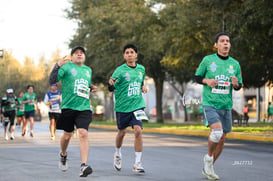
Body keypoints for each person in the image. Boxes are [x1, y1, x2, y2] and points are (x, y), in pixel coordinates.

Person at [195, 32, 243, 180]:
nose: (225, 43)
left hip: (226, 105)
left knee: (222, 138)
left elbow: (239, 85)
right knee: (216, 132)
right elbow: (197, 77)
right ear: (216, 45)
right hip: (210, 103)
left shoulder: (235, 64)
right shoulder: (208, 60)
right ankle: (208, 158)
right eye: (222, 41)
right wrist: (207, 81)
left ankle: (209, 166)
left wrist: (236, 84)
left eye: (227, 41)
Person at [49, 46, 97, 177]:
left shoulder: (88, 70)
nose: (79, 54)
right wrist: (57, 65)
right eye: (76, 53)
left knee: (83, 133)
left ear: (84, 56)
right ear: (72, 56)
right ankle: (63, 154)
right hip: (68, 107)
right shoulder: (66, 67)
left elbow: (84, 84)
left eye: (82, 53)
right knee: (67, 135)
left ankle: (83, 165)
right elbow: (52, 81)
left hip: (84, 107)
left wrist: (91, 87)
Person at [108, 44, 148, 173]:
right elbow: (111, 86)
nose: (130, 54)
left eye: (132, 52)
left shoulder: (141, 69)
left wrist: (143, 87)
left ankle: (137, 162)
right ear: (124, 56)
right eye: (127, 52)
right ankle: (118, 153)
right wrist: (111, 84)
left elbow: (141, 81)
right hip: (122, 107)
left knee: (138, 131)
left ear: (136, 55)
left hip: (137, 105)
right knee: (122, 132)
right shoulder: (119, 70)